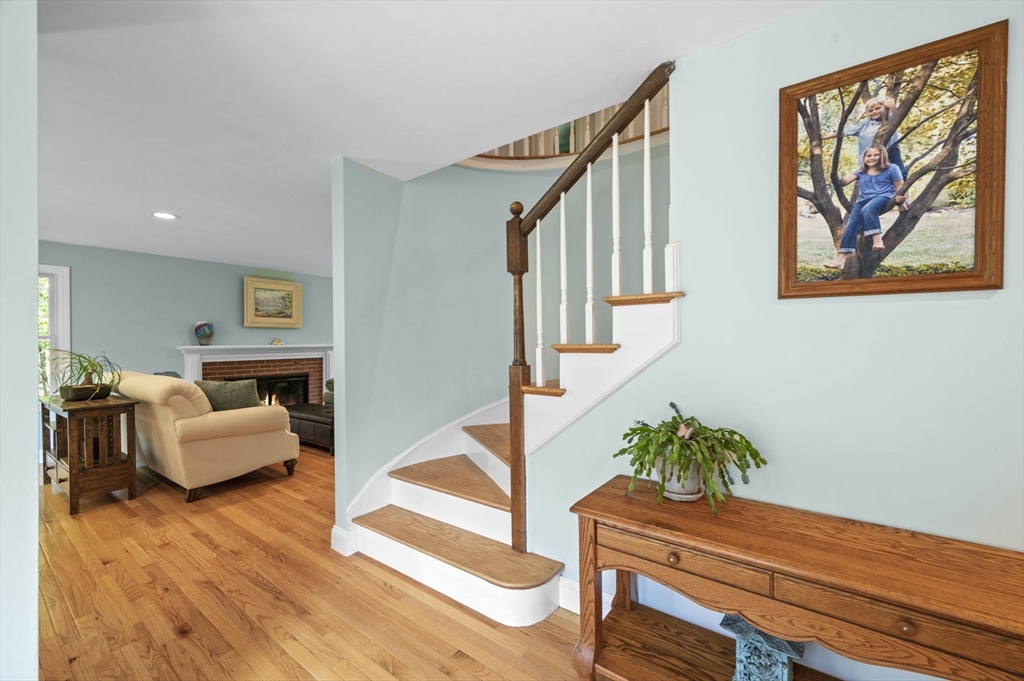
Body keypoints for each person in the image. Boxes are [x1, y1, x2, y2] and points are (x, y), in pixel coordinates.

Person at [824, 144, 907, 269]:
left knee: (868, 209)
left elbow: (900, 186)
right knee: (850, 227)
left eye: (876, 155)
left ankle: (877, 240)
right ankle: (841, 260)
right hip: (863, 200)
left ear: (882, 156)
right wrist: (837, 178)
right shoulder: (861, 170)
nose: (872, 158)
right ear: (864, 157)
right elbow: (845, 182)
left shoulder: (892, 168)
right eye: (868, 155)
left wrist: (901, 201)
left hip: (883, 196)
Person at [824, 95, 909, 181]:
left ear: (884, 108)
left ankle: (902, 192)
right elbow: (846, 131)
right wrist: (827, 136)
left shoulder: (890, 118)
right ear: (867, 113)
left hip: (890, 150)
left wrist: (892, 106)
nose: (874, 112)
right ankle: (846, 181)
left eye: (878, 108)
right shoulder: (864, 124)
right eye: (870, 111)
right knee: (868, 173)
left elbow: (898, 116)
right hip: (871, 154)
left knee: (900, 172)